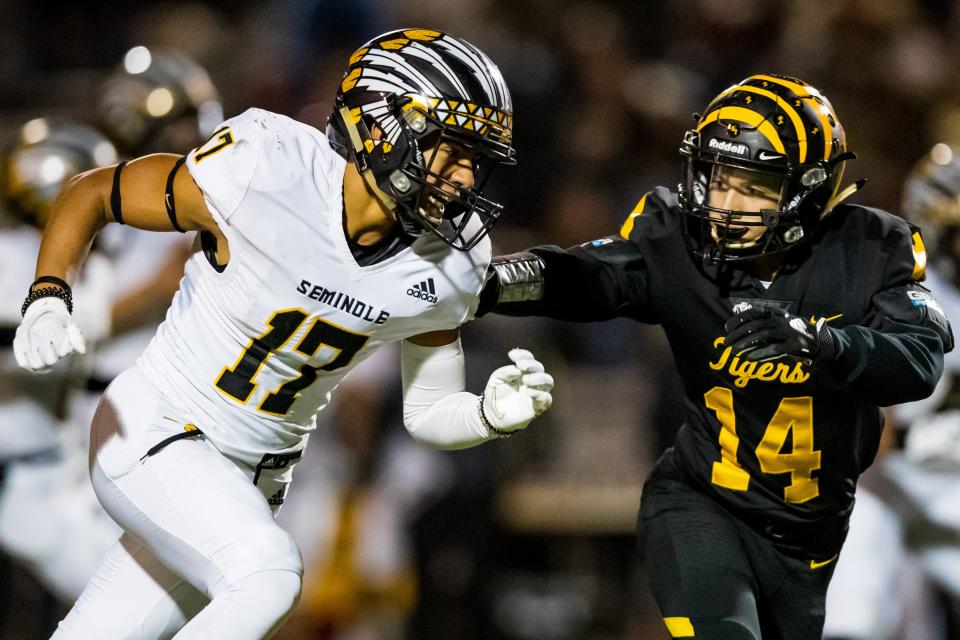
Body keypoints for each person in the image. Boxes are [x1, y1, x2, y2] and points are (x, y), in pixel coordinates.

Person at [13, 28, 554, 639]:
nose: (462, 179)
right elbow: (93, 191)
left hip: (252, 485)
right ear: (382, 123)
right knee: (267, 573)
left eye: (475, 161)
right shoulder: (265, 169)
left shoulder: (448, 265)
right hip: (155, 430)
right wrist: (50, 295)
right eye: (449, 150)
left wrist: (484, 415)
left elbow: (426, 410)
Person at [479, 73, 953, 640]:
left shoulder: (874, 247)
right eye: (719, 178)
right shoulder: (677, 239)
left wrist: (825, 343)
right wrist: (489, 282)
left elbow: (920, 360)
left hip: (814, 537)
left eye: (753, 186)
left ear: (809, 187)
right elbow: (589, 277)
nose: (726, 204)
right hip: (704, 504)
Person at [822, 143, 960, 640]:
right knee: (856, 572)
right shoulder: (896, 295)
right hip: (892, 493)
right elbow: (854, 430)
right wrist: (921, 442)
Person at [0, 118, 121, 605]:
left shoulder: (91, 269)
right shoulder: (12, 255)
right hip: (26, 474)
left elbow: (48, 348)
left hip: (44, 475)